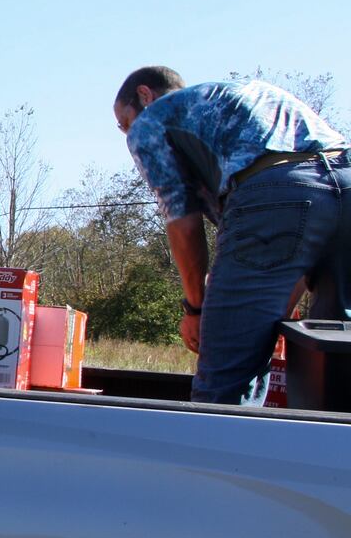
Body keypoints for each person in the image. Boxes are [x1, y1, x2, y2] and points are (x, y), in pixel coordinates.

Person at [113, 67, 350, 404]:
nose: (127, 134)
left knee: (226, 380)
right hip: (346, 182)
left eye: (124, 123)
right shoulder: (248, 96)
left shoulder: (152, 120)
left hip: (275, 194)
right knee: (335, 365)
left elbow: (184, 222)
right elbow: (305, 219)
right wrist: (276, 310)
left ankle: (218, 451)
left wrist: (196, 309)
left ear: (145, 95)